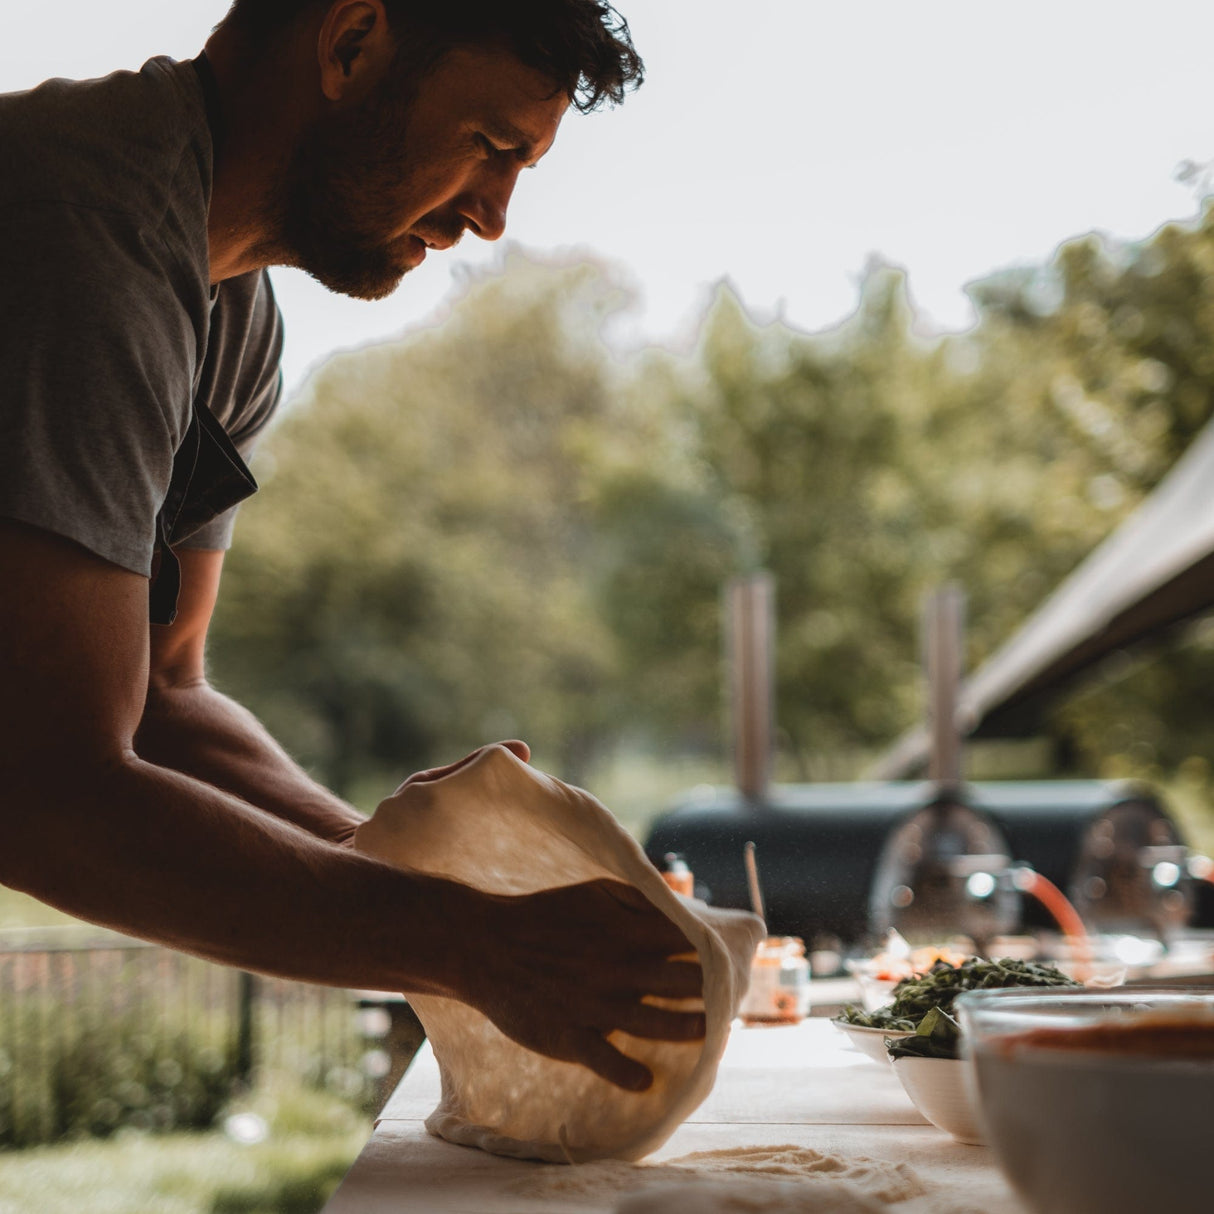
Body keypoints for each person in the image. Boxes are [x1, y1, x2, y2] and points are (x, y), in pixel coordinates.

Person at [0, 0, 703, 1094]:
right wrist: (474, 942)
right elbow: (44, 788)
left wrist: (418, 857)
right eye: (492, 147)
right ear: (351, 43)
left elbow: (161, 692)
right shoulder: (79, 231)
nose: (494, 217)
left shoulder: (229, 318)